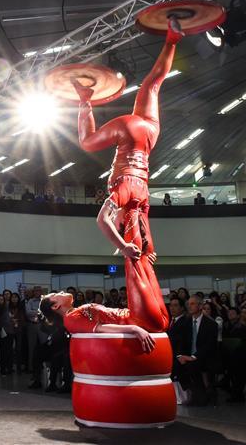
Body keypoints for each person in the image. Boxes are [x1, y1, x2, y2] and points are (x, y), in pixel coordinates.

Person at [71, 24, 182, 334]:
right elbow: (102, 221)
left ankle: (173, 39)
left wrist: (142, 247)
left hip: (148, 133)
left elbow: (139, 225)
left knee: (153, 85)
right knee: (88, 141)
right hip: (134, 137)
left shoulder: (138, 200)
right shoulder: (124, 194)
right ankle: (84, 99)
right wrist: (124, 246)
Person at [170, 295, 219, 406]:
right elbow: (181, 342)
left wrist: (193, 357)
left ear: (200, 305)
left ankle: (202, 395)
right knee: (176, 364)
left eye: (192, 304)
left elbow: (209, 346)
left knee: (193, 365)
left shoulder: (211, 324)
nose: (189, 306)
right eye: (188, 304)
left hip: (204, 356)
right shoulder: (186, 323)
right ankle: (196, 393)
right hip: (188, 355)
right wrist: (180, 356)